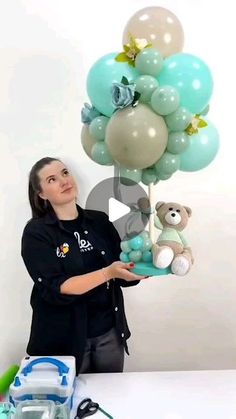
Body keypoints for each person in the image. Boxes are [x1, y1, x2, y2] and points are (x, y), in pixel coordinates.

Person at [21, 157, 147, 374]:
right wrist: (107, 272)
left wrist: (150, 265)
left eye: (65, 173)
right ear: (41, 194)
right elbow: (57, 287)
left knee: (111, 398)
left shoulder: (99, 221)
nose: (64, 181)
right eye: (52, 179)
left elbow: (121, 270)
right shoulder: (37, 232)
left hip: (109, 334)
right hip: (63, 340)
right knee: (67, 404)